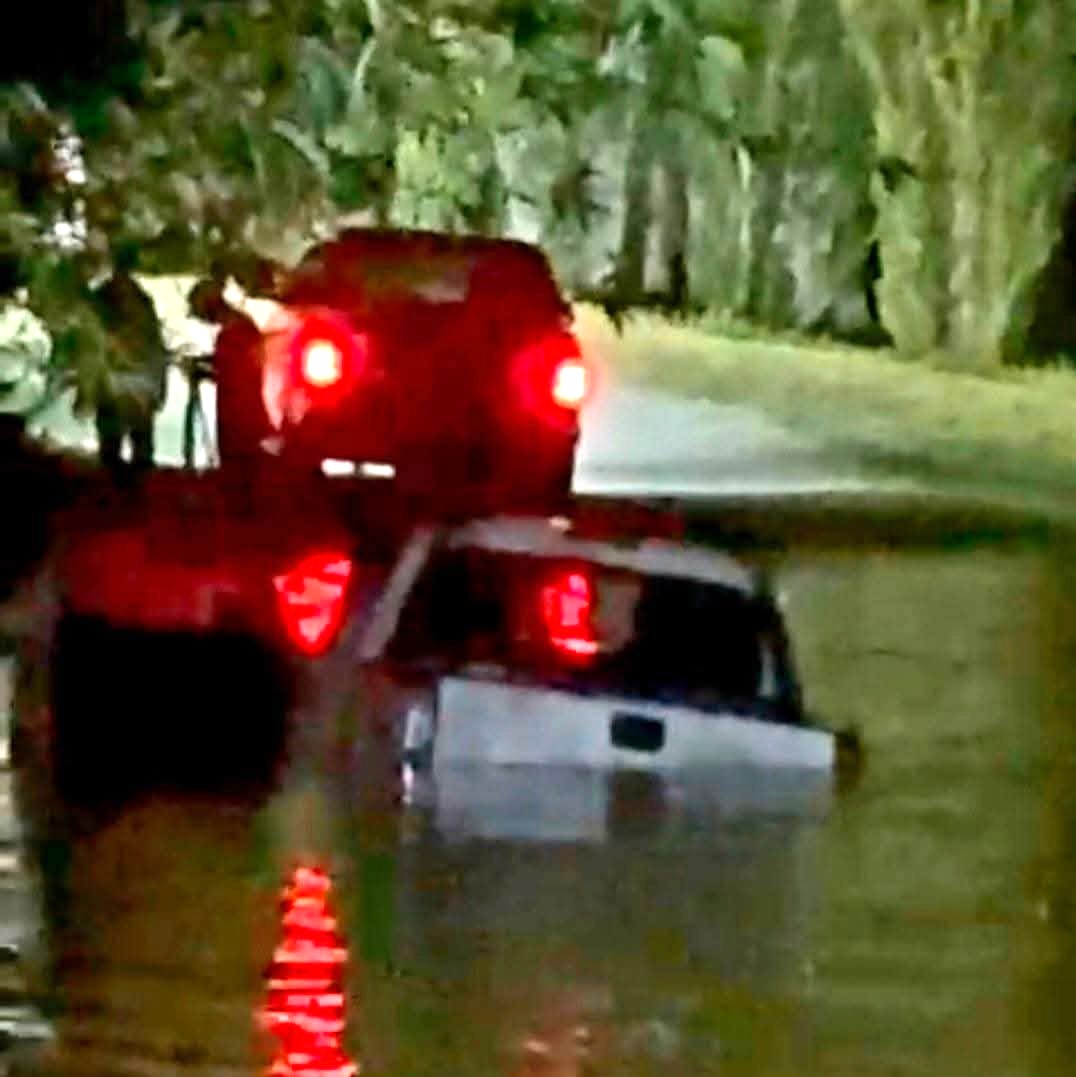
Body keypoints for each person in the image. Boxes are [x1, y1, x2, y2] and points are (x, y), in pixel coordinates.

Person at [90, 240, 168, 474]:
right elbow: (154, 346)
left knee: (117, 446)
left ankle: (121, 496)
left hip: (118, 380)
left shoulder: (103, 298)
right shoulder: (140, 300)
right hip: (133, 381)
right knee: (134, 445)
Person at [187, 257, 273, 468]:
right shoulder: (238, 329)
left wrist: (206, 368)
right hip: (242, 414)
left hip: (241, 416)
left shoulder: (234, 333)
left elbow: (235, 372)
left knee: (239, 462)